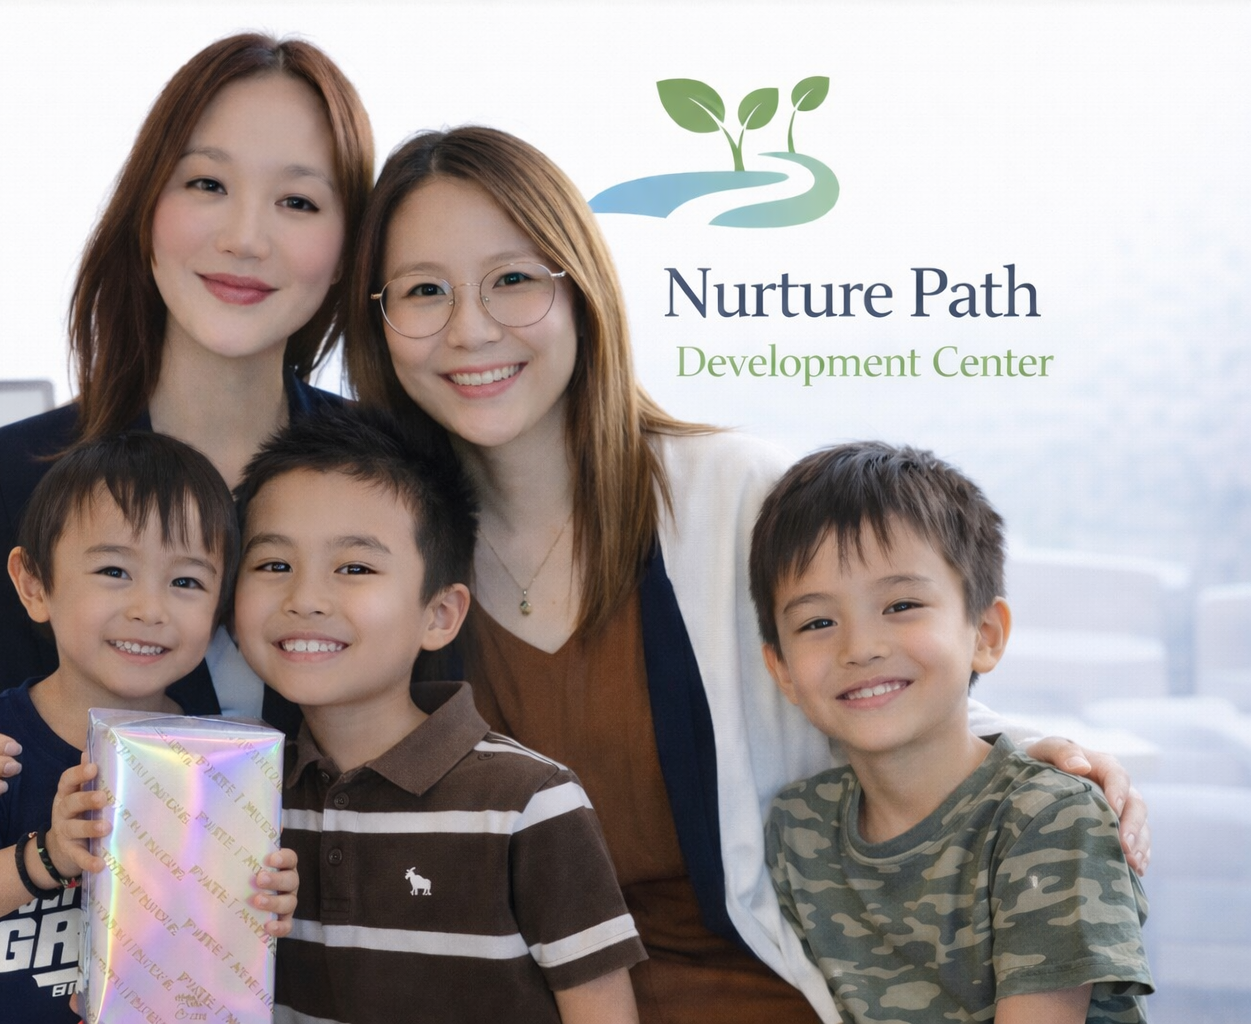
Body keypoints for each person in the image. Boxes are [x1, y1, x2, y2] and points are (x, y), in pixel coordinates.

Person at [339, 126, 1152, 1023]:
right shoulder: (382, 554)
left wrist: (1023, 749)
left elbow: (861, 650)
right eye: (424, 292)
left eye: (513, 280)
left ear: (582, 292)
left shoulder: (733, 493)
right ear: (377, 322)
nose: (472, 328)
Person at [0, 32, 372, 826]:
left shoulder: (387, 471)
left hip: (354, 939)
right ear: (147, 207)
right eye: (208, 182)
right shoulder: (23, 468)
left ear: (348, 247)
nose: (246, 237)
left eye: (298, 201)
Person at [232, 405, 645, 1024]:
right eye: (273, 565)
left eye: (354, 568)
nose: (305, 599)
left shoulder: (529, 802)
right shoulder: (236, 799)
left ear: (440, 615)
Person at [0, 431, 297, 1023]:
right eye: (114, 569)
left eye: (186, 581)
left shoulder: (219, 760)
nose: (150, 608)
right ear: (35, 584)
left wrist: (259, 898)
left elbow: (206, 938)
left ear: (220, 606)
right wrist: (48, 857)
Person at [754, 442, 1152, 1023]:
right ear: (782, 670)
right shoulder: (798, 828)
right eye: (818, 622)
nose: (860, 647)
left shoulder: (1049, 818)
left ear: (985, 634)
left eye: (902, 604)